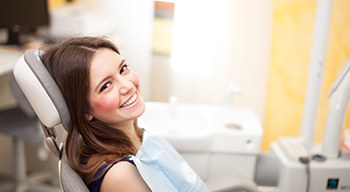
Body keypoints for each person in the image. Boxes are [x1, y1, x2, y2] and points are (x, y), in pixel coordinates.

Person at [39, 36, 209, 192]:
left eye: (123, 69)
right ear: (85, 111)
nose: (127, 85)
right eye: (106, 86)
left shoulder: (137, 131)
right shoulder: (119, 175)